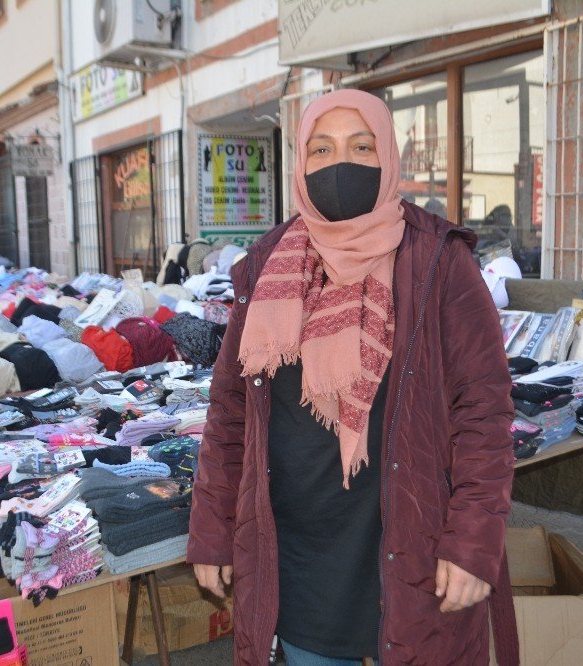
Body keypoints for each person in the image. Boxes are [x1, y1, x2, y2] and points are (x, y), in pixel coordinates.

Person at [187, 90, 518, 666]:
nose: (341, 165)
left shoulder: (441, 262)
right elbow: (230, 413)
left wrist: (472, 543)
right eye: (322, 148)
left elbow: (483, 414)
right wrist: (213, 529)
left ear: (388, 155)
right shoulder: (267, 268)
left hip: (414, 560)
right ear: (301, 163)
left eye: (361, 146)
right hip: (300, 565)